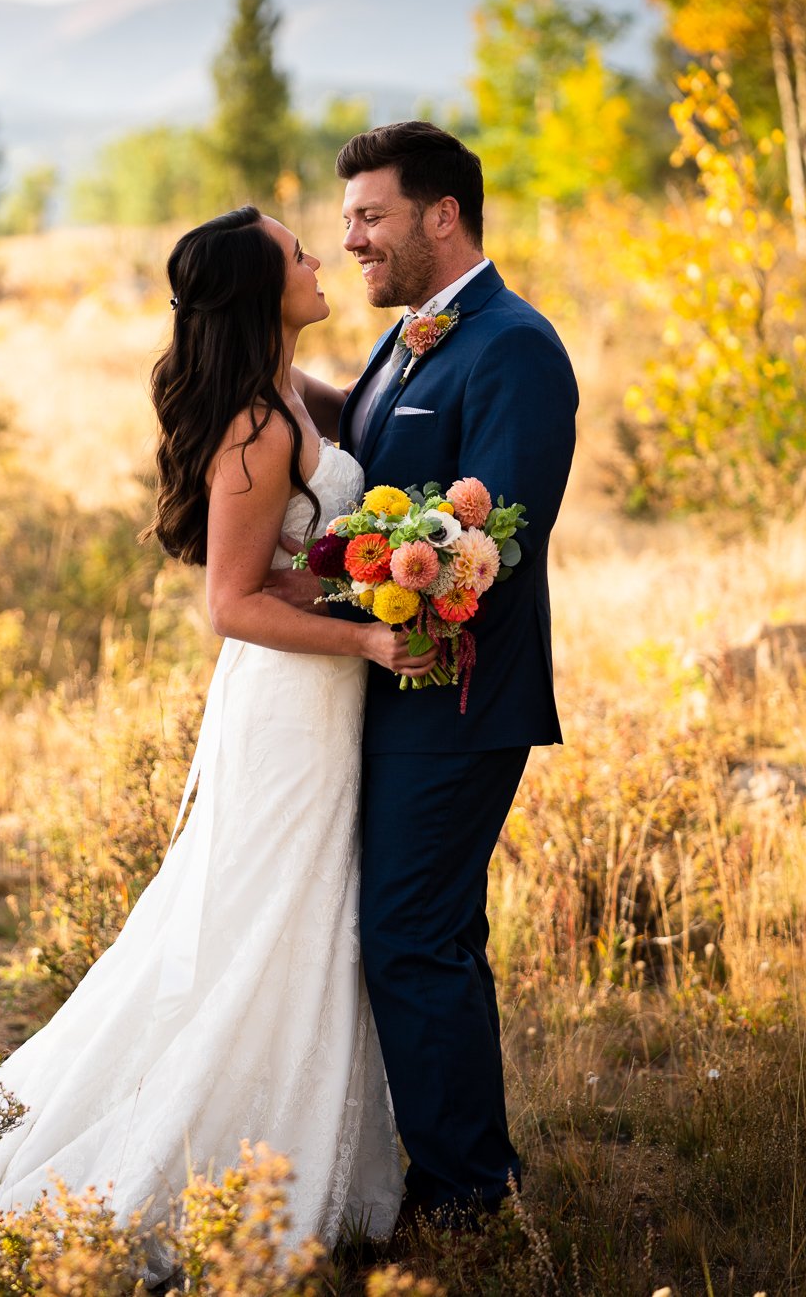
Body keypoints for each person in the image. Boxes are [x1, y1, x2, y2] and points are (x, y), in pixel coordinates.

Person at [0, 204, 435, 1267]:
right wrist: (361, 641)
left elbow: (333, 489)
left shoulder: (291, 398)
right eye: (297, 253)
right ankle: (193, 1180)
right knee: (260, 920)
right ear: (258, 290)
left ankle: (280, 1156)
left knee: (310, 923)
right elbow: (227, 601)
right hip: (285, 708)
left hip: (319, 700)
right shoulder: (254, 430)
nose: (318, 260)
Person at [267, 120, 577, 1225]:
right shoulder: (407, 337)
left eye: (368, 216)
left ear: (439, 216)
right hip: (385, 688)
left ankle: (465, 1196)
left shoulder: (513, 347)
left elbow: (493, 532)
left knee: (411, 932)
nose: (348, 239)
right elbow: (355, 440)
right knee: (418, 929)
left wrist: (378, 578)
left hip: (455, 696)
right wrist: (236, 365)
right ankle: (458, 1170)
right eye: (345, 220)